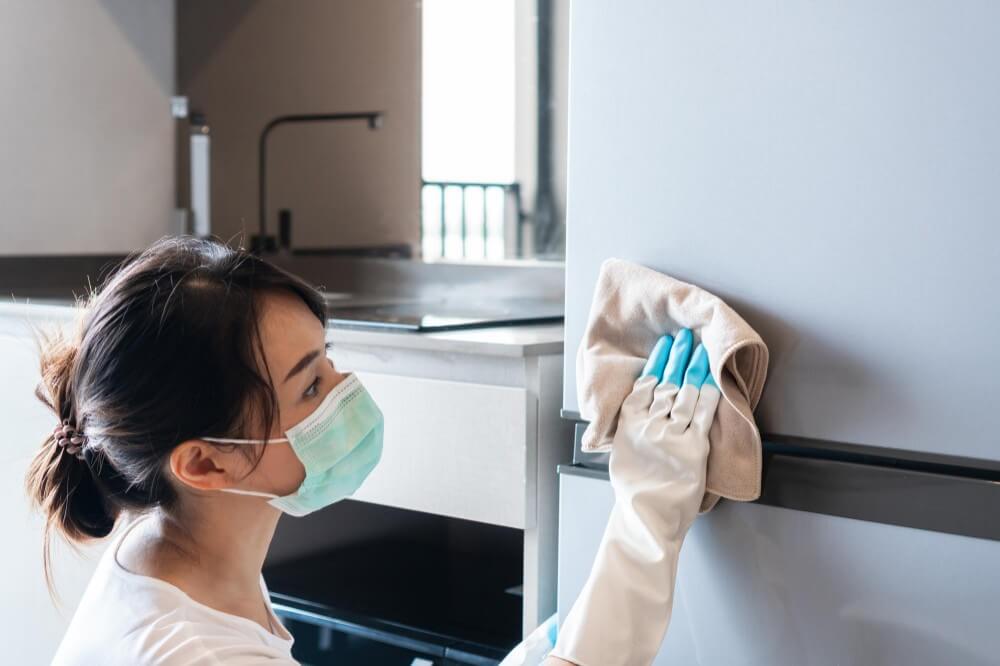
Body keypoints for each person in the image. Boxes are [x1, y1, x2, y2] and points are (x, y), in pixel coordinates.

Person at [27, 236, 718, 665]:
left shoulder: (177, 552)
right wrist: (647, 517)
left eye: (327, 362)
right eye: (310, 388)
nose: (346, 392)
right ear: (205, 463)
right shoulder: (188, 651)